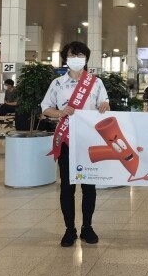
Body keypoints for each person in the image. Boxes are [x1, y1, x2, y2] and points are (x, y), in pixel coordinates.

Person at [41, 41, 110, 247]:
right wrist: (60, 113)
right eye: (72, 55)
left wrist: (105, 105)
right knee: (67, 188)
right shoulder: (57, 84)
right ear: (66, 58)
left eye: (80, 55)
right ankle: (69, 229)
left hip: (89, 141)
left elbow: (104, 104)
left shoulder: (96, 83)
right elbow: (45, 108)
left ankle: (87, 227)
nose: (76, 59)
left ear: (86, 58)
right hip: (66, 141)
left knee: (89, 187)